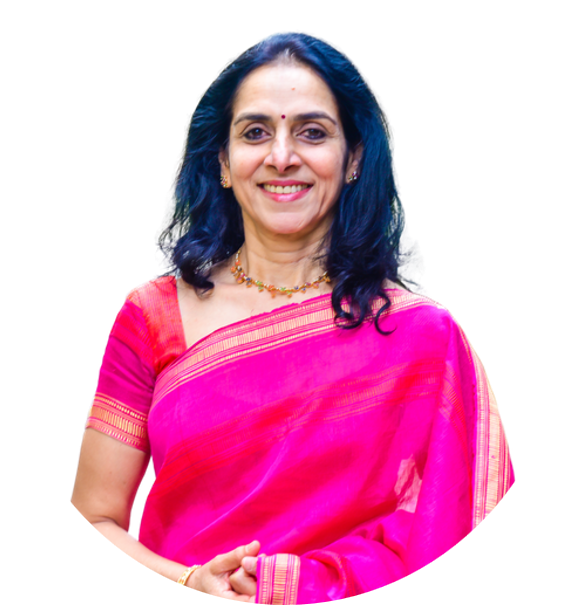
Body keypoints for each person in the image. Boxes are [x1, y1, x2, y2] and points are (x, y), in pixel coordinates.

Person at [69, 30, 518, 603]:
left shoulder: (424, 339)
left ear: (353, 160)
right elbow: (94, 521)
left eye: (312, 132)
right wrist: (186, 581)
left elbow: (455, 535)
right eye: (255, 132)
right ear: (223, 162)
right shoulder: (151, 316)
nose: (282, 157)